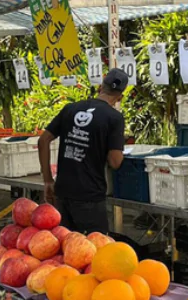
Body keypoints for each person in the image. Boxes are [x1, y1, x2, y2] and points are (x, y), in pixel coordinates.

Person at [37, 69, 127, 235]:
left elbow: (43, 141)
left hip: (62, 193)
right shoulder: (114, 118)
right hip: (90, 196)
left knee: (64, 248)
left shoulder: (70, 109)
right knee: (92, 252)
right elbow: (115, 162)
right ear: (120, 97)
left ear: (100, 87)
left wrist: (48, 180)